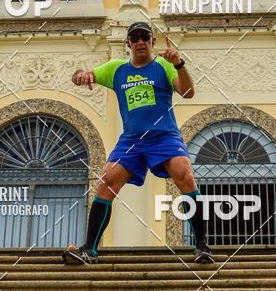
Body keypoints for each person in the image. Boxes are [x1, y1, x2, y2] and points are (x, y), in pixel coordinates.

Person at [63, 22, 213, 265]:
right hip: (132, 140)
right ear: (128, 44)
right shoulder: (116, 69)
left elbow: (187, 93)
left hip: (164, 137)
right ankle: (89, 250)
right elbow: (82, 75)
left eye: (145, 37)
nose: (140, 42)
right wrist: (82, 75)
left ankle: (202, 246)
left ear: (153, 42)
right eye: (135, 38)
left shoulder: (163, 66)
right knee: (106, 182)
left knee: (184, 173)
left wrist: (179, 64)